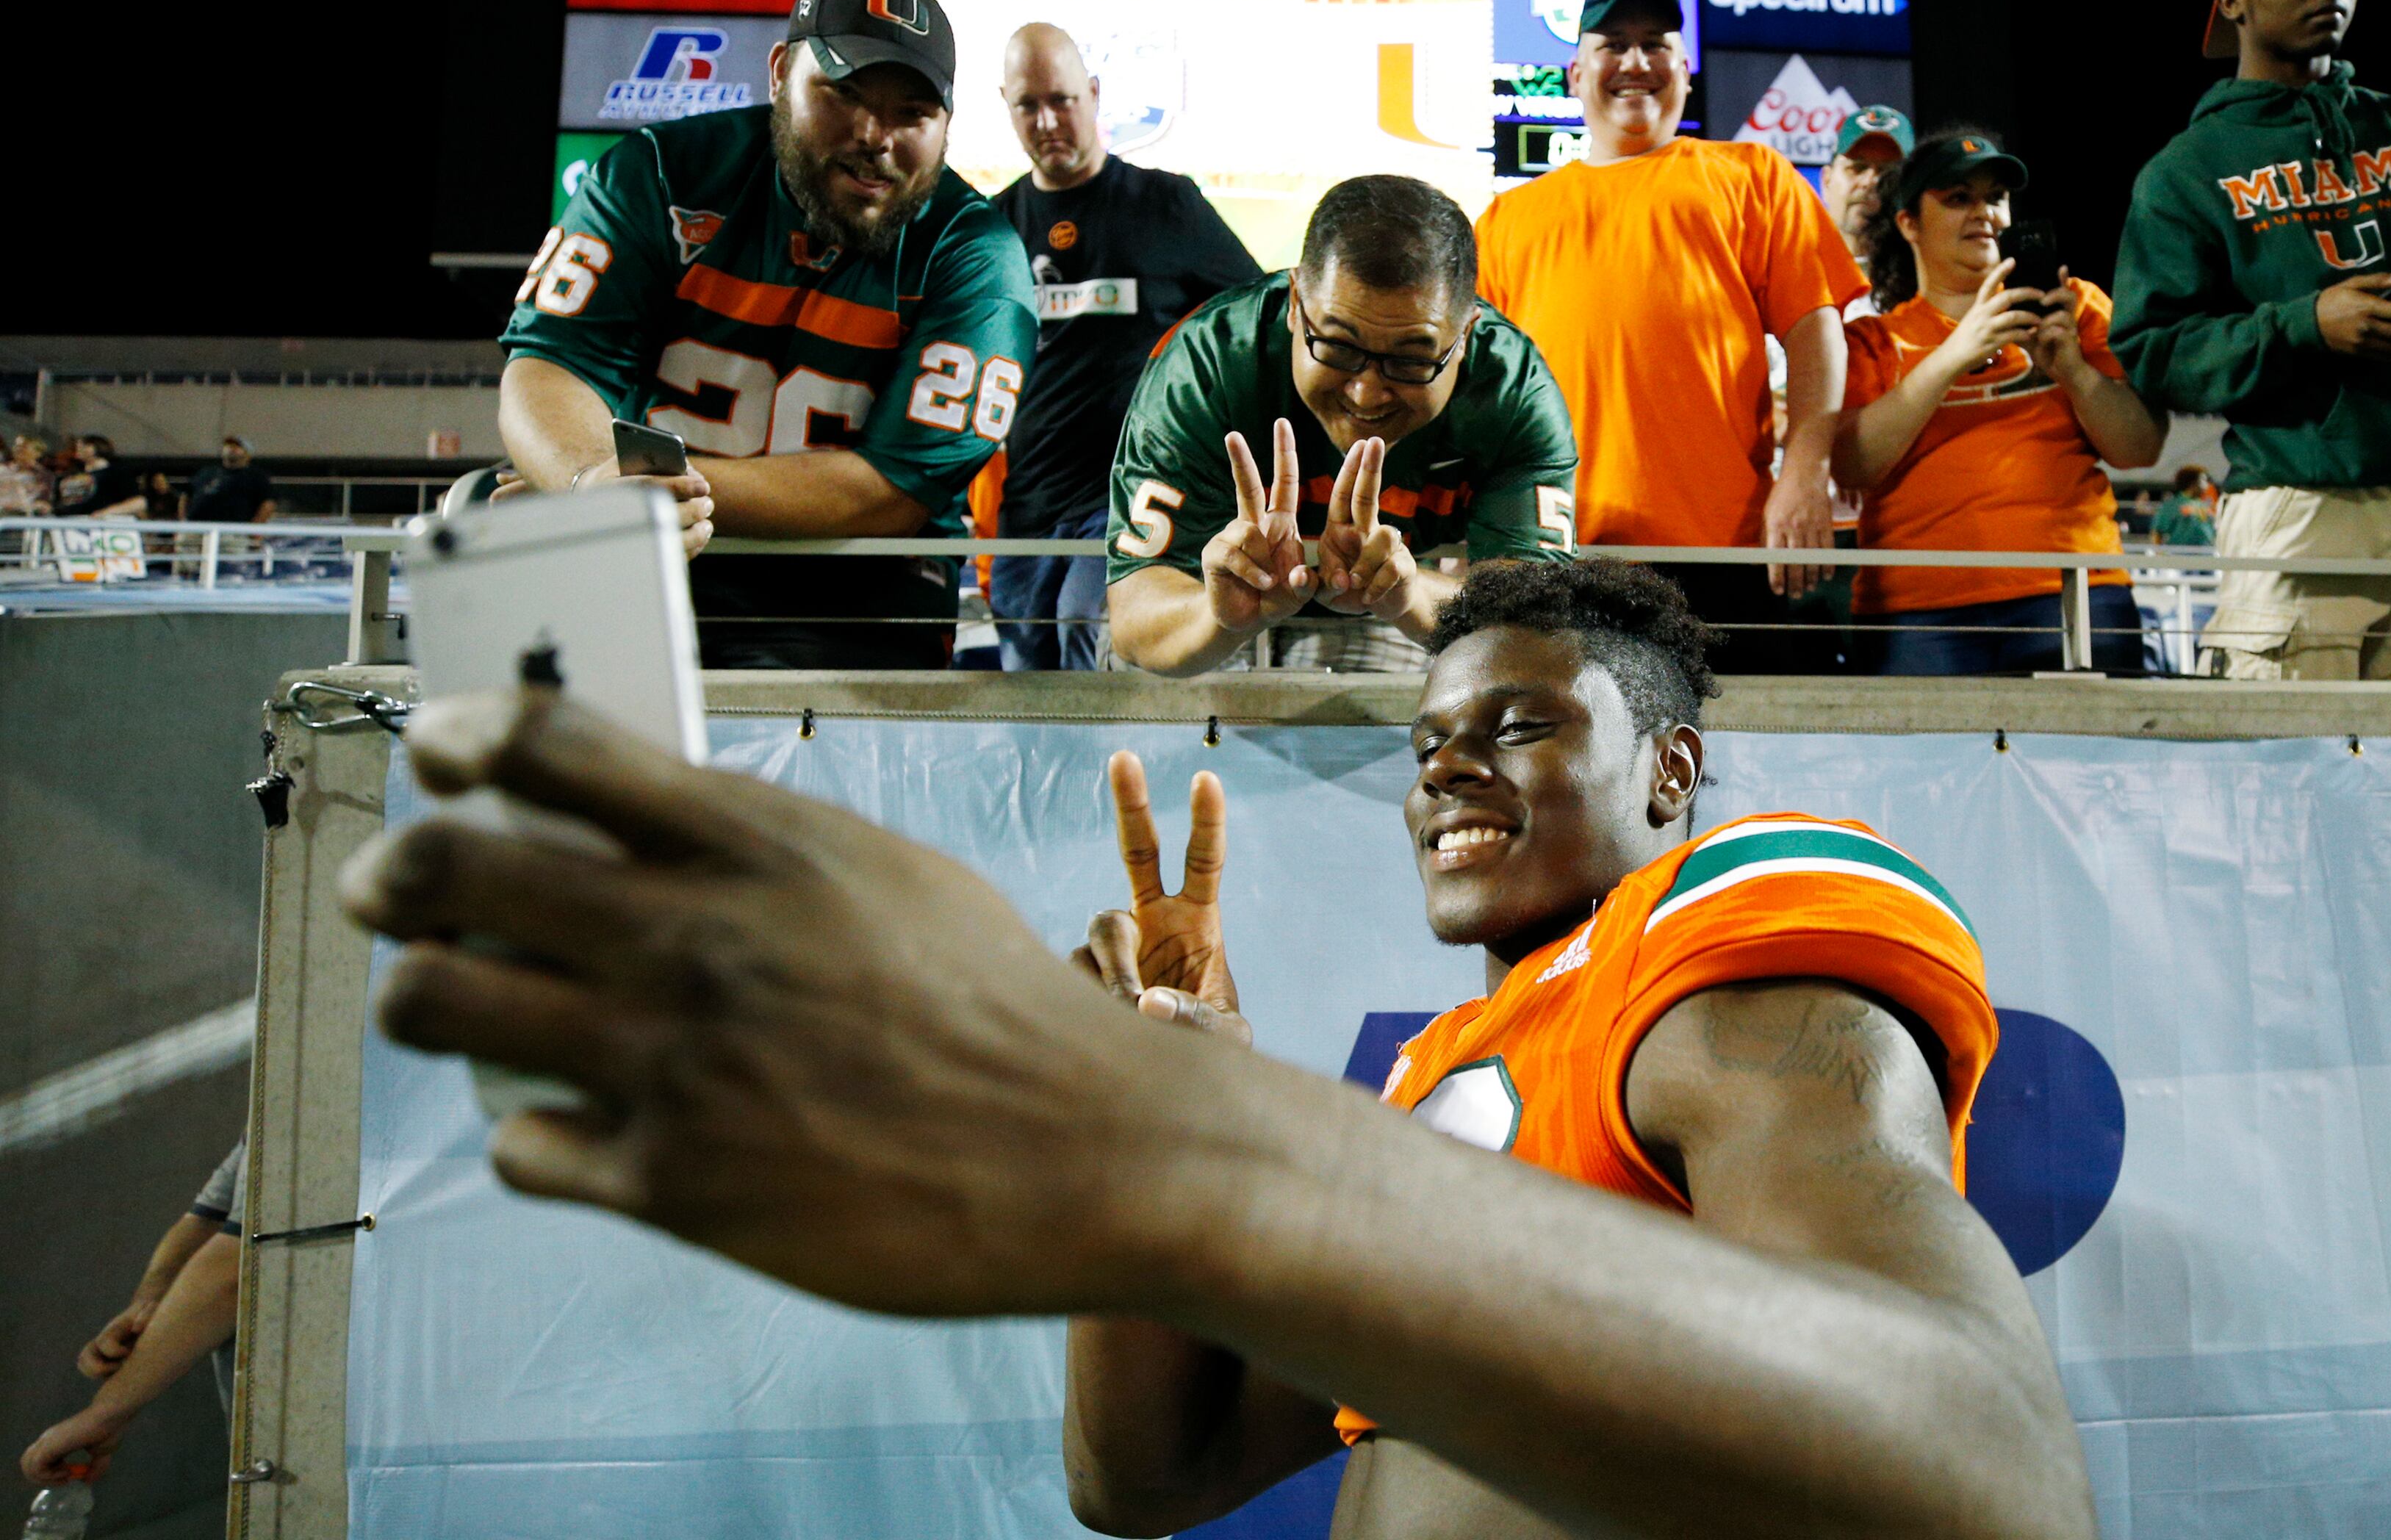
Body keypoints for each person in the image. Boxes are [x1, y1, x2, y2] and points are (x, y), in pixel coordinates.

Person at [342, 559, 2095, 1540]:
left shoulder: (1722, 935)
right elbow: (1146, 1474)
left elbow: (1988, 1470)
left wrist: (1186, 1139)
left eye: (1520, 725)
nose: (1448, 769)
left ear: (1670, 775)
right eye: (1424, 740)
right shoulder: (1445, 1084)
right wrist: (1193, 1099)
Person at [495, 0, 1033, 669]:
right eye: (843, 93)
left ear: (947, 124)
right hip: (645, 569)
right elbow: (550, 366)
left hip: (854, 592)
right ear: (780, 72)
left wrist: (631, 492)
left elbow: (890, 491)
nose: (876, 135)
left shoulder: (974, 253)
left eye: (913, 112)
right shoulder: (660, 175)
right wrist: (584, 483)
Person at [2113, 0, 2391, 683]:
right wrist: (2305, 323)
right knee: (2288, 775)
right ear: (2233, 0)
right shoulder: (2185, 170)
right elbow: (2154, 349)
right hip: (2297, 497)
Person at [1474, 0, 1865, 672]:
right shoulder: (1505, 223)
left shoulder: (1756, 178)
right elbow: (1476, 395)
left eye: (1654, 43)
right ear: (1574, 72)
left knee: (1735, 772)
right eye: (1613, 44)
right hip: (1563, 558)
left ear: (1684, 68)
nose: (1634, 62)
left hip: (1723, 553)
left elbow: (1817, 329)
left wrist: (1804, 474)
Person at [1106, 176, 1578, 676]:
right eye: (1337, 346)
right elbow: (1135, 620)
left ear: (1465, 336)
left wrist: (1408, 594)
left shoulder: (1514, 389)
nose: (1366, 392)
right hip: (1212, 601)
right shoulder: (1207, 365)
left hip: (1390, 618)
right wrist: (1219, 617)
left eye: (1413, 359)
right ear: (1294, 306)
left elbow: (1535, 630)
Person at [1835, 129, 2164, 674]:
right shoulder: (1876, 339)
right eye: (1959, 198)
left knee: (2088, 763)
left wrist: (2072, 371)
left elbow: (2140, 449)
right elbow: (1852, 466)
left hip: (2073, 592)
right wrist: (1956, 352)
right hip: (1919, 611)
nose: (1983, 212)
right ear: (1908, 223)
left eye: (1995, 197)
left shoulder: (2077, 308)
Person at [990, 24, 1262, 672]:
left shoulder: (1168, 204)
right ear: (1006, 105)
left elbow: (1259, 323)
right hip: (1027, 514)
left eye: (1062, 100)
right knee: (1021, 701)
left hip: (1128, 507)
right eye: (1028, 105)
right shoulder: (993, 227)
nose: (1048, 120)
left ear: (1092, 94)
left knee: (1095, 668)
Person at [21, 1144, 246, 1487]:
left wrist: (107, 1411)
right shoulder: (266, 1112)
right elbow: (206, 1220)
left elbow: (242, 1263)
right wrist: (147, 1311)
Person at [1822, 103, 1914, 276]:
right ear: (1826, 181)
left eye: (1888, 172)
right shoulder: (1789, 270)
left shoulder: (1932, 278)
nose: (1870, 182)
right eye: (1858, 168)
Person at [185, 436, 276, 525]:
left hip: (233, 531)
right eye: (228, 446)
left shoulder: (256, 476)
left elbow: (268, 504)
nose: (231, 448)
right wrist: (183, 523)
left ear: (247, 454)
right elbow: (186, 496)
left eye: (237, 446)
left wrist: (255, 529)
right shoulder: (206, 472)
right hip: (196, 528)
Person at [55, 434, 143, 519]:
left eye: (85, 445)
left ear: (96, 448)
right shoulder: (71, 474)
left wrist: (106, 512)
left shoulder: (117, 473)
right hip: (68, 524)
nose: (79, 449)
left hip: (102, 526)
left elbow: (138, 502)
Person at [2154, 465, 2222, 546]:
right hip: (2179, 556)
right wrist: (2161, 555)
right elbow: (2157, 533)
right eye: (2203, 481)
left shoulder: (2206, 506)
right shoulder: (2172, 505)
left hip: (2206, 556)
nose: (2206, 485)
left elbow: (2214, 532)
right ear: (2193, 483)